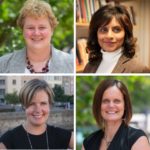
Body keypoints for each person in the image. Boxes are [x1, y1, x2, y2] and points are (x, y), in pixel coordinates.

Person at [0, 0, 73, 73]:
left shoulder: (71, 64)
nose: (36, 33)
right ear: (23, 31)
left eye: (42, 27)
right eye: (30, 28)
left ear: (52, 30)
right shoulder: (3, 64)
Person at [0, 79, 73, 149]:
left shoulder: (64, 136)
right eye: (32, 104)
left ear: (50, 105)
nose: (38, 110)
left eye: (43, 103)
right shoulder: (7, 141)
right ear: (24, 106)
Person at [82, 79, 150, 150]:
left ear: (125, 106)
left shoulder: (137, 139)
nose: (111, 105)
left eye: (117, 101)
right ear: (98, 105)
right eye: (106, 101)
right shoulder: (89, 142)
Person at [83, 4, 150, 73]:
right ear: (96, 34)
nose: (109, 36)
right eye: (104, 30)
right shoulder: (89, 66)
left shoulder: (140, 69)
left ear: (126, 33)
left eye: (116, 30)